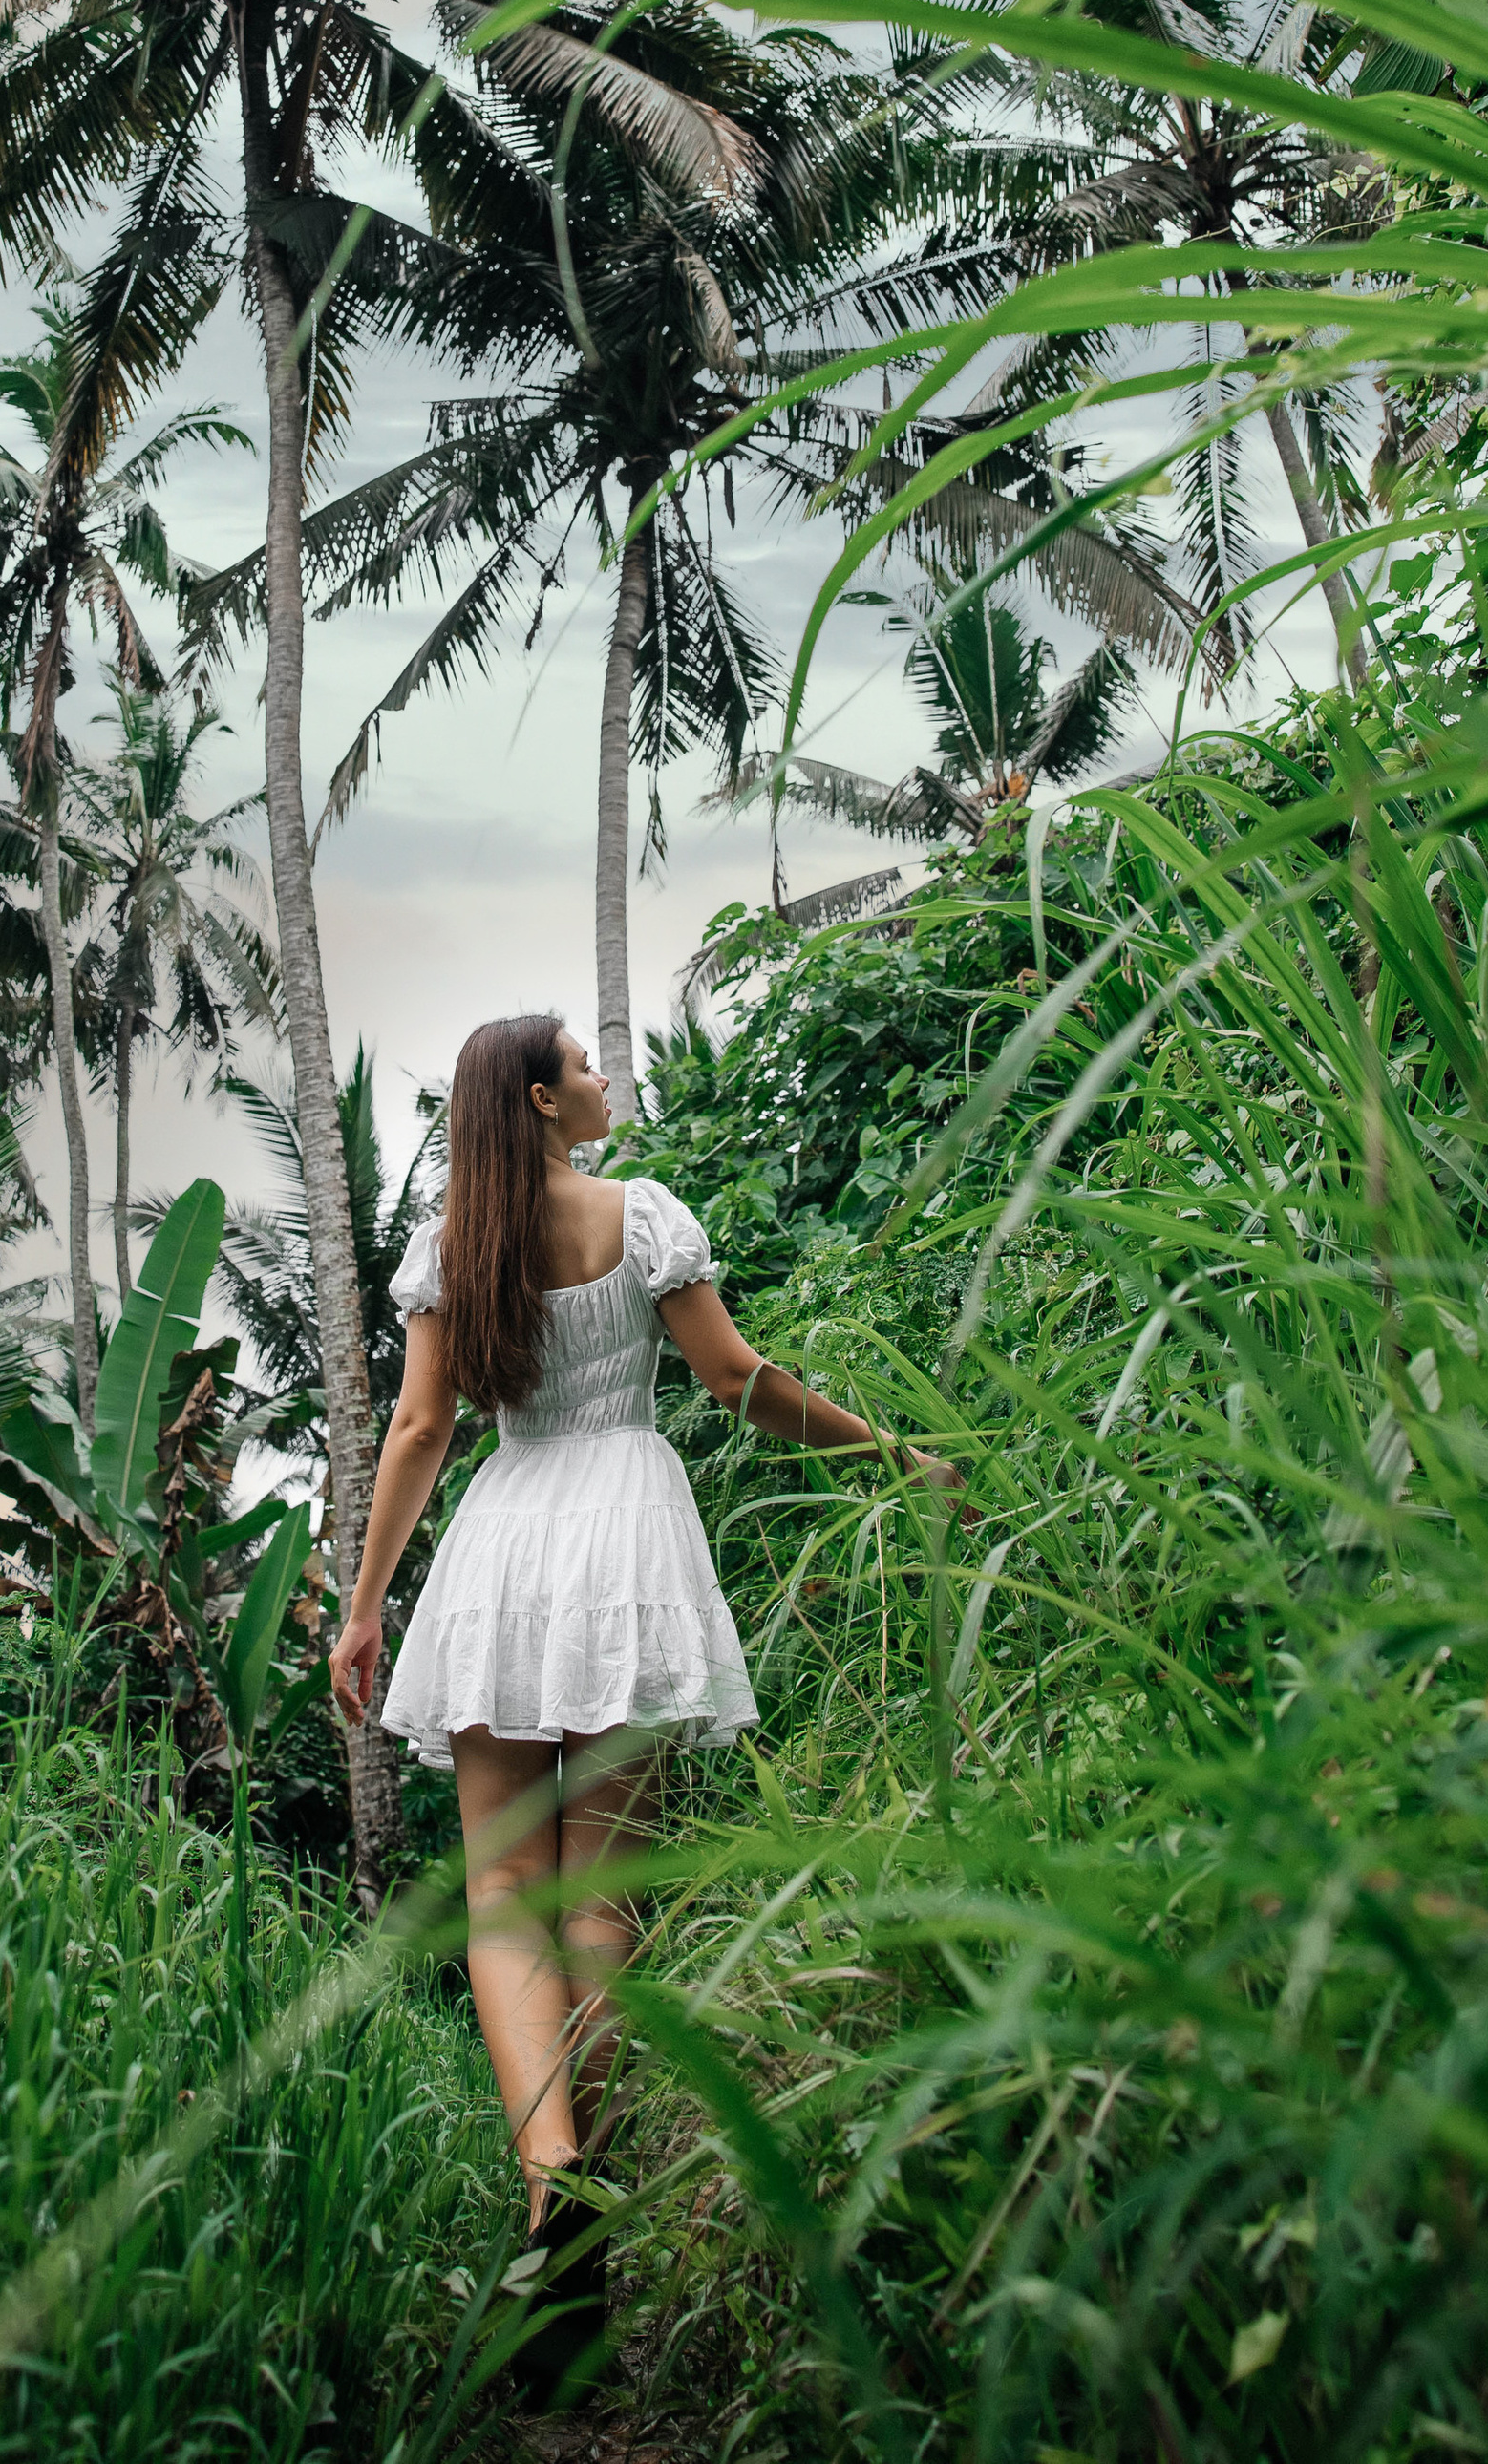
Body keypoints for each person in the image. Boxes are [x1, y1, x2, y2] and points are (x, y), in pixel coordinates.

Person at [329, 1009, 931, 2396]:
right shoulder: (641, 1215)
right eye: (585, 1068)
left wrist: (366, 1608)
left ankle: (553, 2196)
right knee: (597, 1896)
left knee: (500, 1895)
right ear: (540, 1101)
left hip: (503, 1545)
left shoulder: (451, 1251)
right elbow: (735, 1382)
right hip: (627, 1542)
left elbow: (419, 1432)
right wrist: (886, 1450)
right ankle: (569, 2210)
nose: (605, 1080)